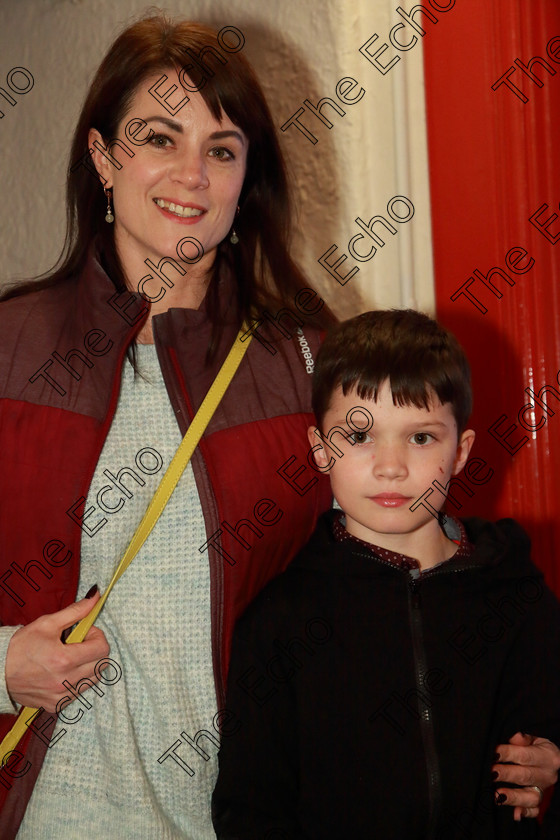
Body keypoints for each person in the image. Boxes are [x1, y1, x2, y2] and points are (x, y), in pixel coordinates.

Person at [0, 11, 556, 839]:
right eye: (159, 137)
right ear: (101, 157)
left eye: (221, 149)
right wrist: (2, 662)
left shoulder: (307, 362)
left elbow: (402, 580)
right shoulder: (12, 347)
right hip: (50, 811)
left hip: (251, 815)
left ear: (246, 176)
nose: (192, 175)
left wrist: (529, 733)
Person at [212, 309, 560, 839]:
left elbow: (546, 725)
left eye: (420, 438)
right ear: (320, 449)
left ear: (460, 451)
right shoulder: (280, 621)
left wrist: (552, 756)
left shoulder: (516, 596)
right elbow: (250, 807)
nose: (390, 465)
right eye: (360, 436)